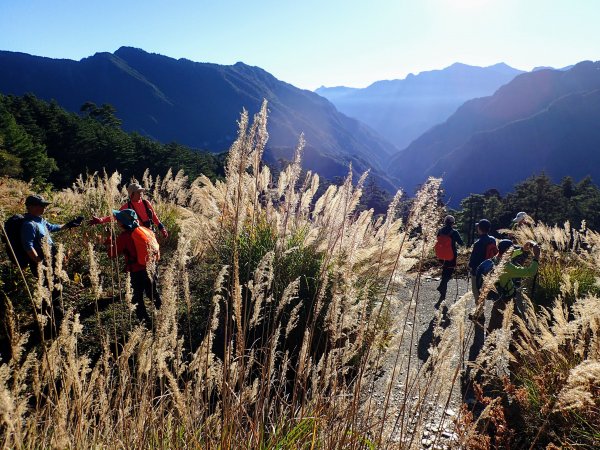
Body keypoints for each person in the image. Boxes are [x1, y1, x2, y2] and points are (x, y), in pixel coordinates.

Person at [20, 194, 83, 331]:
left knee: (54, 288)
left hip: (50, 260)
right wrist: (39, 262)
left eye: (44, 205)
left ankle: (51, 320)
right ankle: (53, 323)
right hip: (42, 263)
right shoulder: (29, 224)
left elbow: (53, 227)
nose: (44, 208)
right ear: (31, 207)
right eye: (40, 205)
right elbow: (28, 246)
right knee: (51, 290)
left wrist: (69, 224)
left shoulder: (40, 221)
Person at [106, 209, 162, 324]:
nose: (117, 221)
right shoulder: (145, 230)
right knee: (153, 293)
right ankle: (163, 315)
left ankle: (145, 324)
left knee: (137, 298)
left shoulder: (125, 236)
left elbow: (111, 253)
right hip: (151, 266)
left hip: (137, 271)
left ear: (123, 223)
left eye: (119, 219)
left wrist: (109, 240)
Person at [487, 239, 541, 333]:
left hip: (498, 294)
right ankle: (516, 341)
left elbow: (510, 254)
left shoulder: (495, 258)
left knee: (495, 322)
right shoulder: (507, 267)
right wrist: (536, 257)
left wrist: (523, 250)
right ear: (508, 250)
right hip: (506, 297)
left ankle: (490, 341)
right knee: (516, 321)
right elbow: (530, 272)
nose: (513, 251)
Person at [89, 183, 168, 238]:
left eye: (141, 192)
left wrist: (162, 229)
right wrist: (100, 220)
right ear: (132, 194)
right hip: (137, 235)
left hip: (149, 233)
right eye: (138, 192)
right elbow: (115, 217)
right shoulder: (127, 206)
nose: (141, 194)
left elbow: (154, 217)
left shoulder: (146, 203)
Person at [435, 215, 464, 303]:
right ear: (453, 223)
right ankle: (442, 287)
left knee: (444, 271)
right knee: (448, 273)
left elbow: (437, 240)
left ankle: (442, 293)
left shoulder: (440, 231)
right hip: (451, 256)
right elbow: (461, 243)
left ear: (445, 222)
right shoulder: (454, 232)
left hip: (441, 256)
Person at [468, 219, 498, 301]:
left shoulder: (478, 243)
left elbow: (473, 260)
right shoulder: (492, 239)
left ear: (479, 229)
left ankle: (479, 311)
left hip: (478, 271)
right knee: (484, 289)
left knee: (476, 291)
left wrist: (470, 267)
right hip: (489, 268)